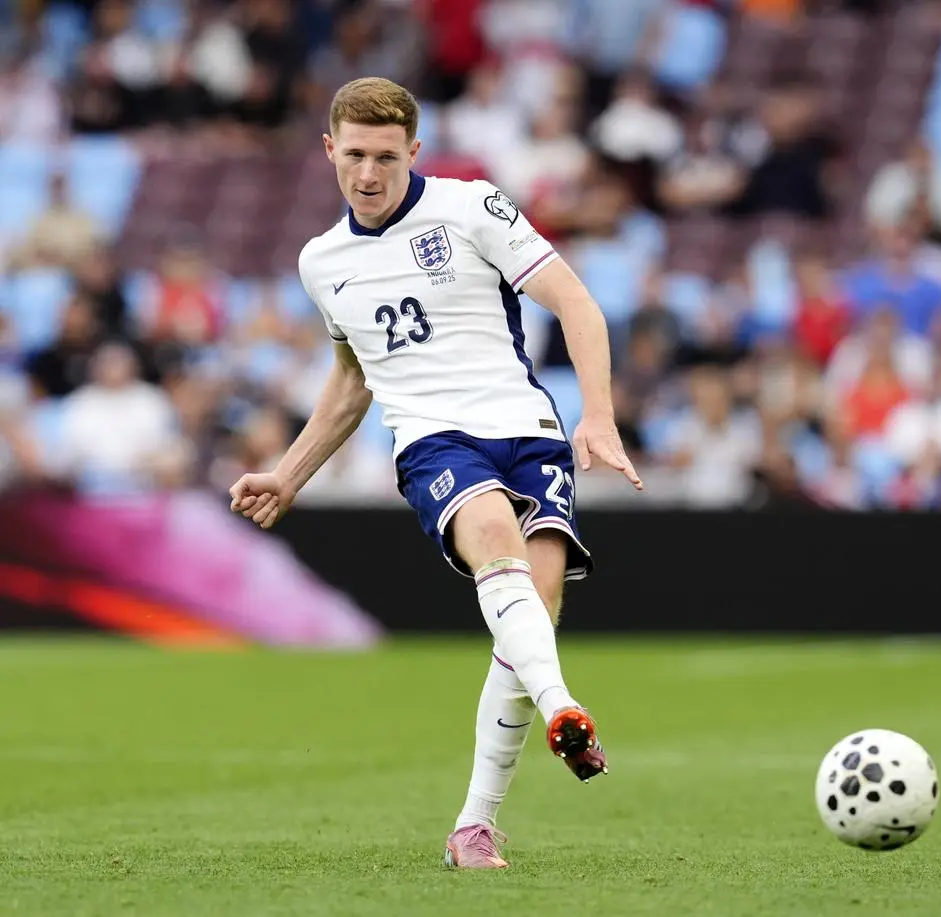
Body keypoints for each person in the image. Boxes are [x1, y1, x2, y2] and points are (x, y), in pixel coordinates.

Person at [226, 77, 644, 870]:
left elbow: (577, 303)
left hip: (528, 431)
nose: (369, 174)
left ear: (413, 151)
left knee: (533, 617)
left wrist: (597, 414)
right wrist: (289, 474)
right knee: (494, 541)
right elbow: (355, 380)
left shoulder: (472, 207)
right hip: (434, 441)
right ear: (329, 150)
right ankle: (563, 708)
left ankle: (473, 825)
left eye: (386, 156)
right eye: (353, 155)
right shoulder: (324, 262)